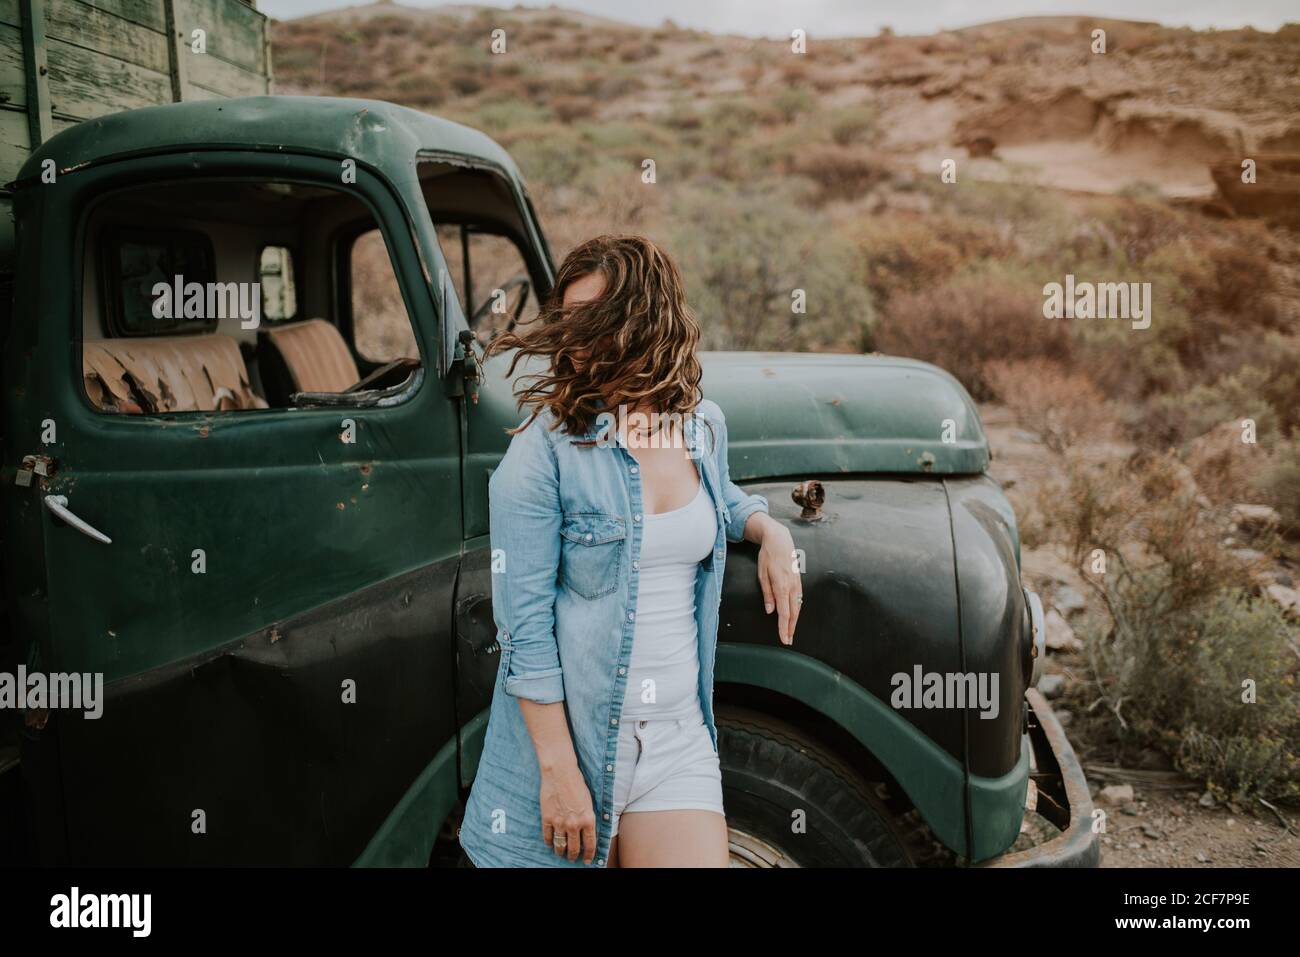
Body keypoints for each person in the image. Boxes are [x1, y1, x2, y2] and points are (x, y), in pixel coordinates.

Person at [458, 235, 802, 868]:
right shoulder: (544, 453)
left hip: (678, 739)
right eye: (571, 321)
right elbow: (524, 632)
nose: (580, 339)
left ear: (647, 318)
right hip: (578, 747)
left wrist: (769, 531)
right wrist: (560, 776)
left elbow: (721, 500)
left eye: (599, 319)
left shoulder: (701, 424)